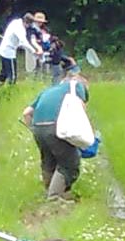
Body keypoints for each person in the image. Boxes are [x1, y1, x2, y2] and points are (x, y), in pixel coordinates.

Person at [22, 73, 91, 201]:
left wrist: (35, 131)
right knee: (69, 164)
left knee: (48, 161)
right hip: (56, 127)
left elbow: (26, 113)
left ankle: (49, 191)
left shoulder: (48, 91)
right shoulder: (76, 85)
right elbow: (80, 109)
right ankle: (54, 197)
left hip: (38, 127)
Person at [0, 12, 39, 86]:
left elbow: (19, 42)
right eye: (29, 25)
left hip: (3, 49)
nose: (28, 27)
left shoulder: (15, 22)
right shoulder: (20, 28)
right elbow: (24, 42)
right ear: (26, 22)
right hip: (8, 52)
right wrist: (34, 51)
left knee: (4, 72)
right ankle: (10, 93)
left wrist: (20, 45)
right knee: (13, 75)